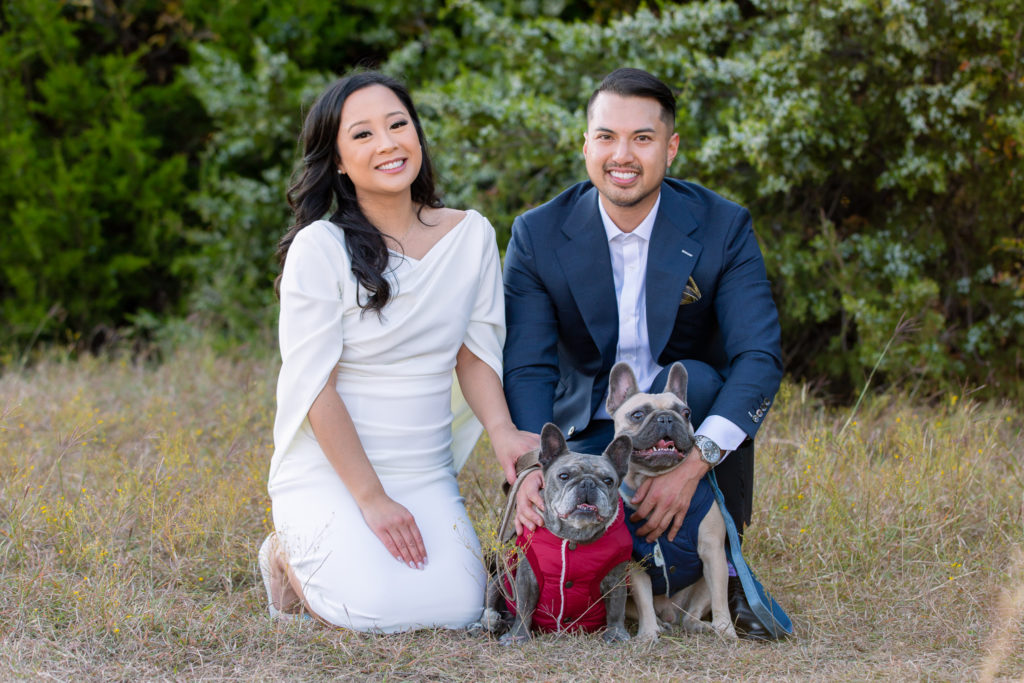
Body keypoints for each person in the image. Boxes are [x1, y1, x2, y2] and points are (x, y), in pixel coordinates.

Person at [500, 68, 784, 639]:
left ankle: (723, 570)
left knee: (701, 380)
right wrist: (533, 466)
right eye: (605, 136)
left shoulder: (724, 225)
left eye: (643, 138)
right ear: (586, 144)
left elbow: (759, 355)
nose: (621, 155)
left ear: (671, 148)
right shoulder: (538, 233)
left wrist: (697, 460)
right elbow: (528, 364)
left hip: (687, 419)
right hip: (587, 424)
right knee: (551, 556)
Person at [259, 71, 537, 632]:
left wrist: (505, 432)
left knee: (458, 611)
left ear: (417, 133)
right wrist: (372, 499)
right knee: (370, 612)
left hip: (425, 469)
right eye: (361, 135)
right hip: (335, 471)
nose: (387, 144)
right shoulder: (320, 247)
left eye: (397, 124)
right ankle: (283, 554)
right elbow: (316, 387)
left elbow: (474, 355)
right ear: (336, 160)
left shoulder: (472, 235)